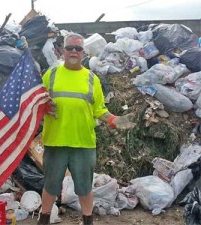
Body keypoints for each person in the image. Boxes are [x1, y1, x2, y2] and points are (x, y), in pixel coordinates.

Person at [37, 33, 136, 225]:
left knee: (84, 188)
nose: (74, 51)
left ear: (84, 52)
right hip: (55, 141)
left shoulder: (92, 79)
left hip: (83, 143)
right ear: (62, 51)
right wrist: (44, 108)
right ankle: (44, 219)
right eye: (70, 48)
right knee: (50, 186)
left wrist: (115, 120)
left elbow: (99, 109)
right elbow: (39, 101)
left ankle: (88, 221)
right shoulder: (52, 74)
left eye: (78, 48)